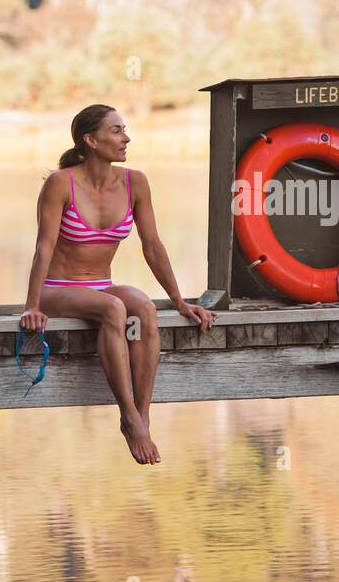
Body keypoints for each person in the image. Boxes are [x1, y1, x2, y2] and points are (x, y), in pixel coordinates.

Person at [20, 104, 216, 465]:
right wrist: (32, 305)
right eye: (116, 131)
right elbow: (43, 247)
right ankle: (127, 414)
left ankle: (142, 417)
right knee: (114, 308)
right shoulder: (60, 183)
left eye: (124, 130)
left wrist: (179, 301)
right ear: (90, 140)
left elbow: (152, 246)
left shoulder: (135, 182)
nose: (126, 138)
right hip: (57, 290)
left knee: (142, 306)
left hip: (100, 286)